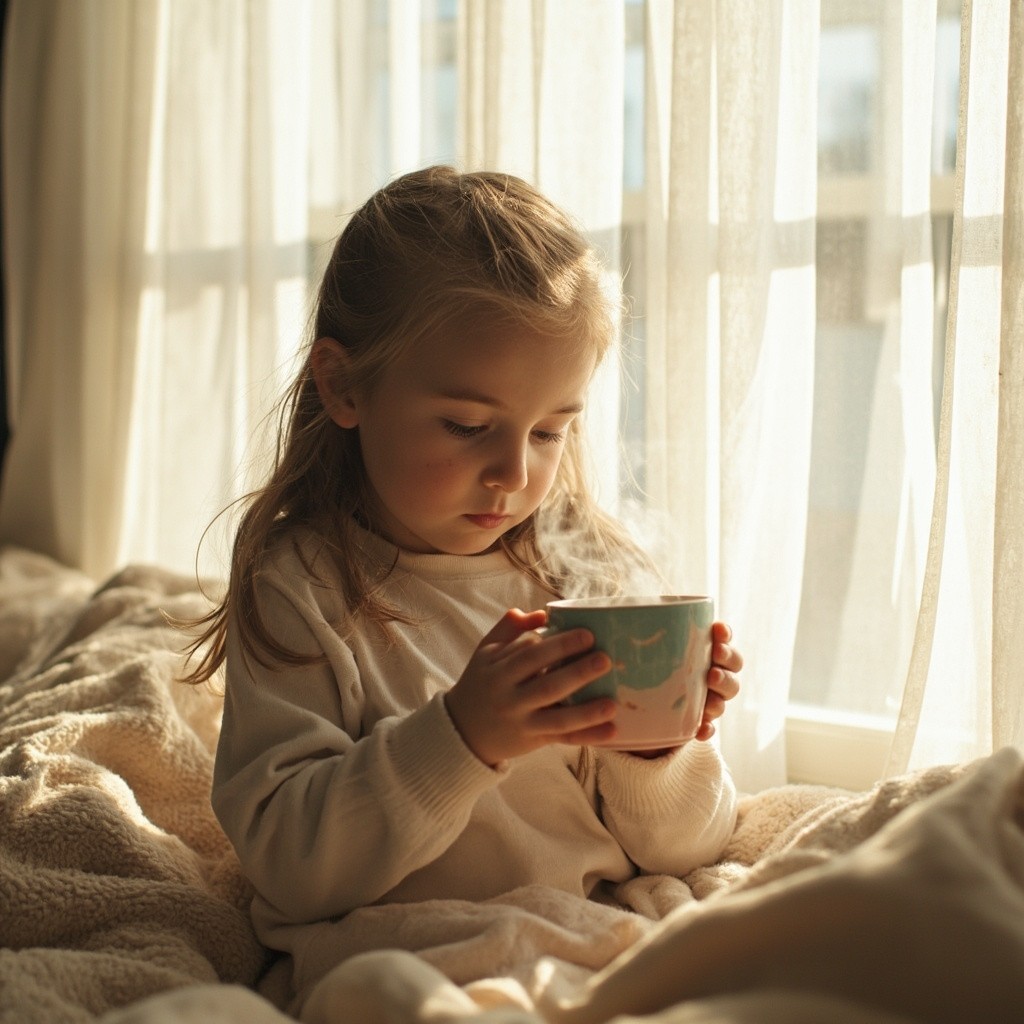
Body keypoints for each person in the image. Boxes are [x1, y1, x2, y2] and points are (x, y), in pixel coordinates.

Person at [183, 165, 742, 1006]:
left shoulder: (581, 571)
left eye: (552, 430)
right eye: (468, 427)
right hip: (405, 957)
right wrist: (463, 737)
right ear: (344, 387)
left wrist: (658, 749)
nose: (515, 474)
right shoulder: (303, 585)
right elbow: (290, 864)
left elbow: (687, 847)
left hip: (591, 940)